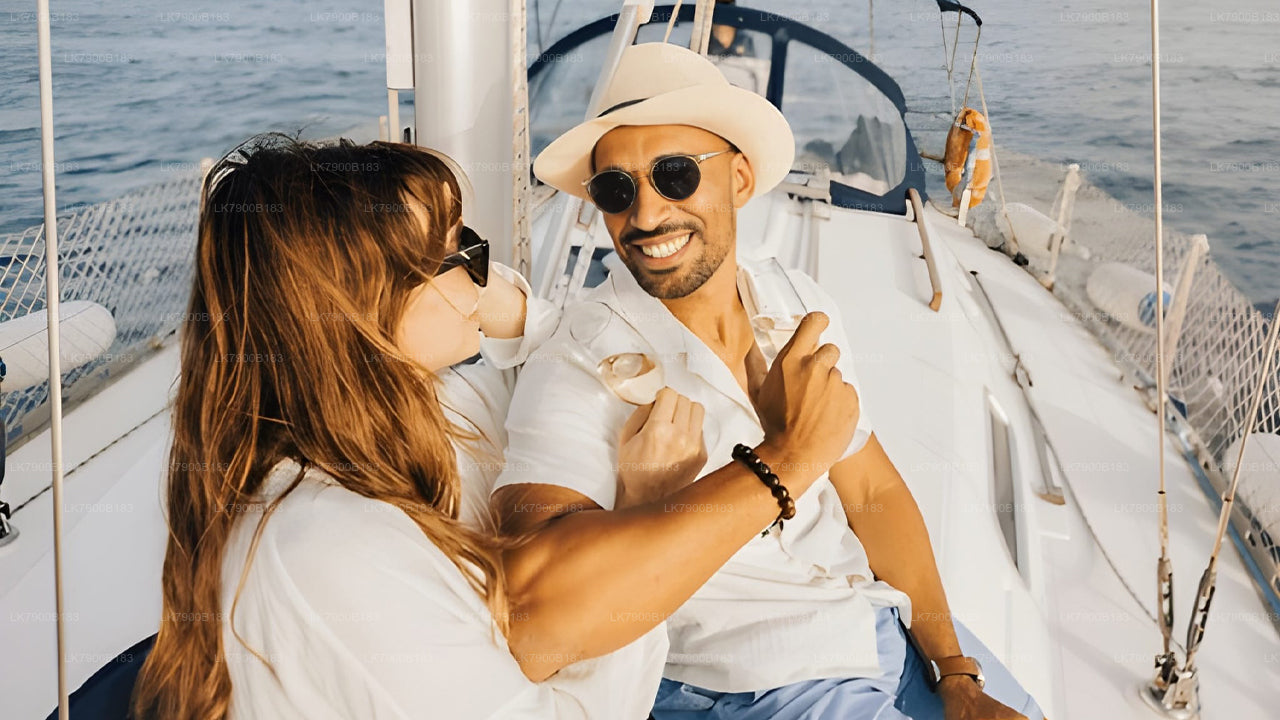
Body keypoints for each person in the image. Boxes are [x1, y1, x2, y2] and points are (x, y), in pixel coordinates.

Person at [493, 43, 1045, 720]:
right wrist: (785, 460)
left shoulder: (792, 299)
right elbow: (530, 616)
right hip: (756, 682)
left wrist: (955, 671)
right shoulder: (578, 362)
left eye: (673, 175)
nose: (643, 215)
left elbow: (872, 488)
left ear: (742, 180)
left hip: (879, 633)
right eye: (615, 189)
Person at [131, 135, 678, 719]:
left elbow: (573, 356)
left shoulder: (429, 415)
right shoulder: (331, 544)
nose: (482, 273)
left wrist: (515, 315)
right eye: (456, 253)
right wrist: (645, 516)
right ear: (360, 303)